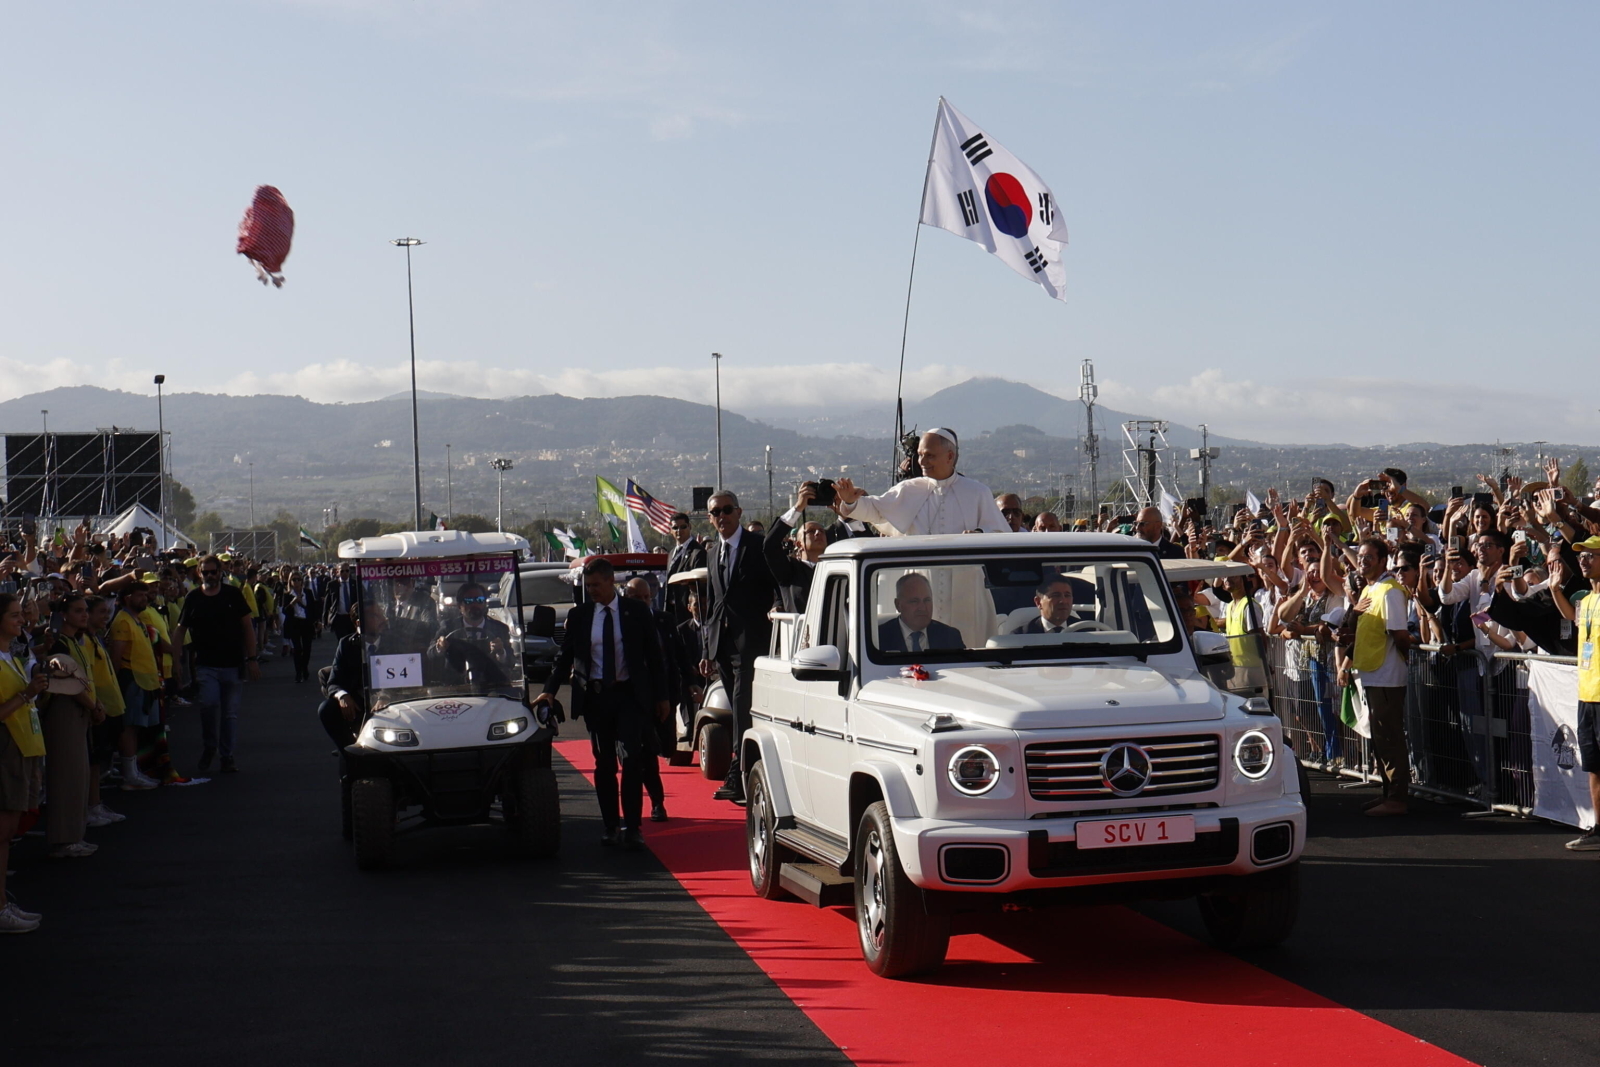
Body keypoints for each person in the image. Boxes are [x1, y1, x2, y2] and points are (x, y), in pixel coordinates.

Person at [535, 557, 668, 850]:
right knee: (604, 763)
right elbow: (564, 656)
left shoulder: (635, 612)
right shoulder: (581, 615)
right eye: (588, 585)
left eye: (596, 585)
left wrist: (662, 696)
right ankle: (610, 826)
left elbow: (655, 658)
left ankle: (633, 826)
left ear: (611, 582)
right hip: (596, 697)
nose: (592, 590)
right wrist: (550, 690)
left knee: (633, 758)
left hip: (630, 696)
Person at [697, 491, 776, 803]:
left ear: (739, 512)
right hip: (723, 642)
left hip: (752, 640)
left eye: (727, 510)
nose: (721, 516)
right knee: (735, 707)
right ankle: (743, 769)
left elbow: (776, 586)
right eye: (715, 512)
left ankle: (739, 774)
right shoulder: (712, 552)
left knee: (743, 708)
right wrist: (706, 650)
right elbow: (713, 604)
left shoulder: (758, 546)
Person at [1340, 538, 1418, 817]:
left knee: (1390, 738)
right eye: (1360, 556)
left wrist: (1408, 654)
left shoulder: (1390, 592)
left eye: (1369, 557)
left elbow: (1399, 634)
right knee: (1380, 739)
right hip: (1372, 674)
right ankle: (1388, 793)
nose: (1363, 561)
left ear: (1384, 560)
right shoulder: (1370, 589)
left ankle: (1397, 798)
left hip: (1387, 676)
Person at [173, 555, 258, 774]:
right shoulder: (193, 598)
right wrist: (176, 661)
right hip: (206, 665)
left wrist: (252, 658)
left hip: (233, 664)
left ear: (220, 572)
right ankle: (210, 746)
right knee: (209, 706)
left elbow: (247, 626)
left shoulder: (233, 594)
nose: (210, 576)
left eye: (214, 571)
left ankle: (226, 755)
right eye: (206, 572)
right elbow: (180, 630)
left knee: (230, 714)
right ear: (199, 573)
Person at [833, 429, 1008, 536]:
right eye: (920, 454)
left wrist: (979, 534)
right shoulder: (909, 489)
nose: (922, 462)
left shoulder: (977, 492)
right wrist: (850, 501)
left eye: (930, 455)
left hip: (965, 582)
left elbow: (1000, 534)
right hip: (919, 584)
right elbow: (876, 511)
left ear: (949, 456)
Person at [40, 593, 105, 859]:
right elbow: (67, 682)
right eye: (78, 611)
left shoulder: (75, 641)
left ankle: (75, 835)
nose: (84, 615)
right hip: (65, 710)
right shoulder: (59, 644)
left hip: (80, 711)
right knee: (66, 777)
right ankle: (64, 839)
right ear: (63, 615)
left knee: (79, 776)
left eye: (85, 610)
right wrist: (93, 706)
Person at [0, 592, 51, 932]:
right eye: (15, 615)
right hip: (6, 751)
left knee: (6, 835)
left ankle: (2, 903)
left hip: (21, 748)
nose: (22, 620)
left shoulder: (10, 656)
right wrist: (26, 694)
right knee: (2, 835)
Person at [1548, 536, 1600, 850]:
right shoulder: (1588, 599)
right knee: (1594, 765)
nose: (1584, 560)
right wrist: (1554, 588)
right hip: (1588, 693)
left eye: (1592, 555)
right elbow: (1571, 618)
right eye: (1582, 556)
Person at [624, 577, 675, 822]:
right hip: (627, 698)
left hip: (655, 698)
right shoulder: (620, 621)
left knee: (652, 753)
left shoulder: (663, 620)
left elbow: (668, 660)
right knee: (634, 756)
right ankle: (637, 811)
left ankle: (657, 802)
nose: (644, 602)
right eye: (637, 598)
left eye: (647, 597)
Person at [107, 582, 164, 789]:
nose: (145, 598)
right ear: (128, 597)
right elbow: (116, 656)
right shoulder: (122, 621)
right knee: (128, 728)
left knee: (136, 728)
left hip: (145, 681)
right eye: (140, 595)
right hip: (132, 680)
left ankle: (134, 771)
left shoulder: (137, 620)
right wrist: (114, 684)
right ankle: (130, 776)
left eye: (145, 595)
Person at [318, 604, 391, 749]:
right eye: (375, 616)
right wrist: (343, 696)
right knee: (326, 709)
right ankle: (351, 752)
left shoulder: (393, 642)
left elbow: (408, 677)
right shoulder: (346, 644)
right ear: (359, 623)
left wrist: (385, 696)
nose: (383, 619)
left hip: (389, 701)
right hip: (359, 704)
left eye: (382, 614)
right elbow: (334, 681)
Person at [765, 483, 829, 614]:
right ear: (798, 544)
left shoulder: (834, 568)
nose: (818, 533)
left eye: (821, 531)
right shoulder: (790, 570)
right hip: (800, 632)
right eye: (811, 531)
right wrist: (798, 507)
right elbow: (770, 544)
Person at [877, 573, 964, 651]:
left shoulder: (950, 636)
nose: (922, 608)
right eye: (914, 601)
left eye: (927, 600)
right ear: (898, 605)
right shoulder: (878, 638)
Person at [664, 512, 706, 626]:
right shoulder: (671, 553)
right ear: (670, 530)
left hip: (688, 612)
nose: (679, 531)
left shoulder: (698, 552)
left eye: (683, 527)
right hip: (671, 610)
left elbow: (700, 587)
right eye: (675, 528)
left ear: (689, 527)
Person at [281, 572, 318, 683]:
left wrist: (317, 621)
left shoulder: (308, 593)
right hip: (294, 624)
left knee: (307, 649)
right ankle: (298, 673)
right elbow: (285, 611)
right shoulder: (287, 595)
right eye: (294, 580)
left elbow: (313, 608)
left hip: (306, 623)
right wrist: (292, 603)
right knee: (297, 649)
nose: (296, 582)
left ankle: (304, 667)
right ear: (290, 582)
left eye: (298, 579)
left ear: (302, 581)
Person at [324, 563, 359, 640]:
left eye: (347, 571)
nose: (345, 573)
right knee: (341, 640)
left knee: (353, 640)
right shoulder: (332, 584)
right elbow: (327, 603)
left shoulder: (355, 583)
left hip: (352, 618)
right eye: (342, 571)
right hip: (339, 618)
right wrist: (325, 619)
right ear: (337, 572)